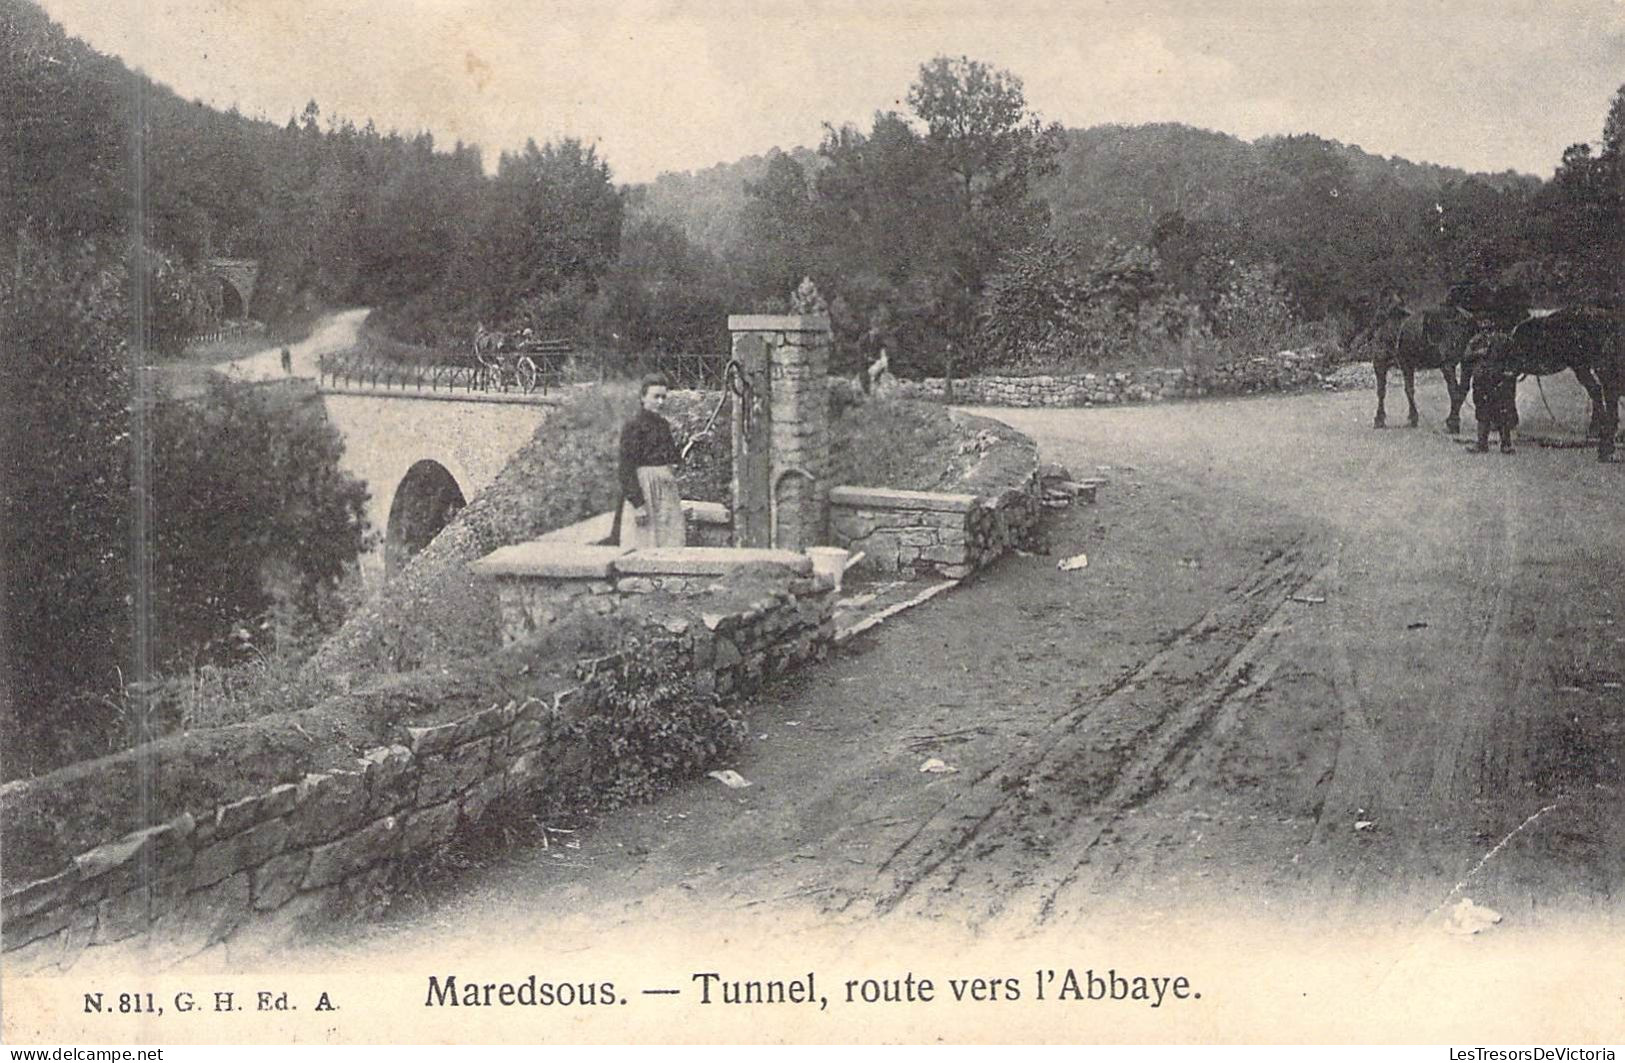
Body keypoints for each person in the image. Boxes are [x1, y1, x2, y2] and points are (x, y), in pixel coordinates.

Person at [616, 375, 689, 547]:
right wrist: (638, 504)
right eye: (656, 397)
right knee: (644, 539)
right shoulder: (633, 426)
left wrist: (691, 443)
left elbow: (672, 457)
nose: (661, 402)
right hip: (645, 489)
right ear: (642, 397)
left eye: (664, 397)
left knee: (670, 539)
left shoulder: (663, 424)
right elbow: (626, 468)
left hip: (666, 491)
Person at [1469, 337, 1519, 454]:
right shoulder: (1476, 340)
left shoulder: (1505, 341)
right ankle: (1482, 443)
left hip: (1498, 380)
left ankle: (1506, 444)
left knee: (1502, 412)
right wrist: (1476, 353)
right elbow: (1466, 357)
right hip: (1481, 381)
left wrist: (1510, 372)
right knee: (1482, 413)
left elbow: (1515, 360)